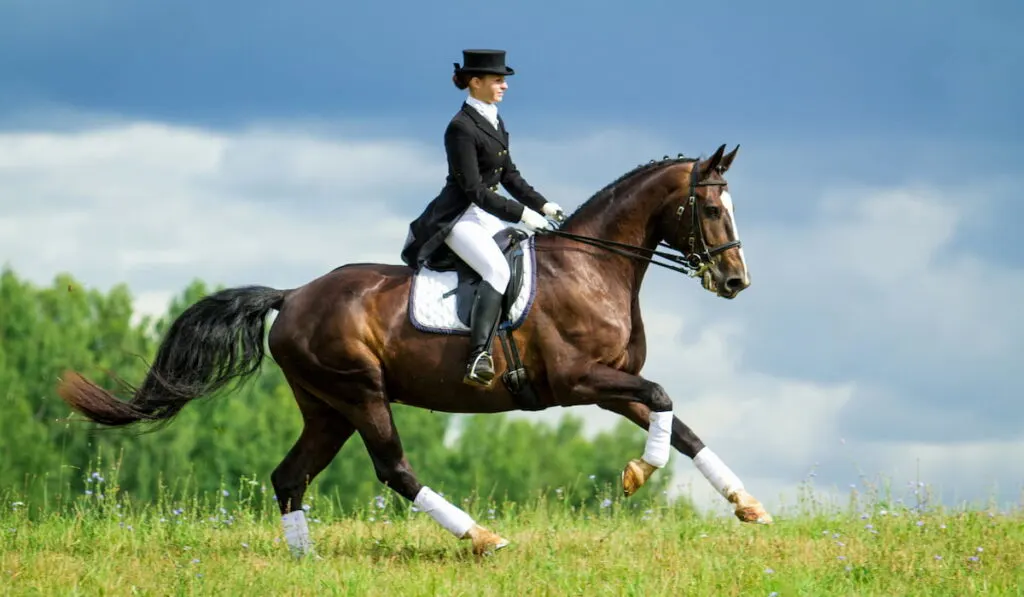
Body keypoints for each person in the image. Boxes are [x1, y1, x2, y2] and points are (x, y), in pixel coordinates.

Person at [401, 49, 563, 388]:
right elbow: (474, 190)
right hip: (458, 218)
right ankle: (479, 356)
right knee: (497, 269)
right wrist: (521, 214)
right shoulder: (460, 128)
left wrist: (544, 206)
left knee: (528, 260)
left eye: (504, 80)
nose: (504, 86)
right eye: (498, 80)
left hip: (486, 215)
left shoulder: (494, 118)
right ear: (475, 82)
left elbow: (510, 176)